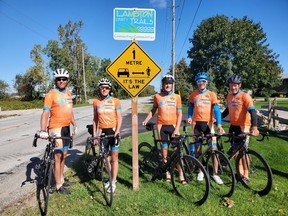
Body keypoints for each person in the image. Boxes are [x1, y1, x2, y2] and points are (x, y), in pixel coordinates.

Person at [39, 68, 77, 194]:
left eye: (64, 79)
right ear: (55, 80)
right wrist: (43, 130)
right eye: (59, 79)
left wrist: (74, 125)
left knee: (64, 155)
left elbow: (69, 111)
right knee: (58, 156)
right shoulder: (51, 94)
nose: (61, 81)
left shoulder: (69, 93)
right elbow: (45, 113)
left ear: (67, 81)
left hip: (66, 128)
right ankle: (58, 185)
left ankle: (61, 179)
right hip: (55, 128)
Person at [142, 74, 184, 183]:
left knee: (177, 152)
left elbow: (179, 114)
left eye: (170, 83)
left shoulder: (177, 97)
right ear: (163, 84)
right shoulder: (157, 96)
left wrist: (176, 129)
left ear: (172, 85)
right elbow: (153, 110)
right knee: (164, 152)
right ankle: (167, 172)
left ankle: (181, 174)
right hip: (161, 127)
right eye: (166, 83)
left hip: (173, 126)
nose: (168, 85)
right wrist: (146, 119)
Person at [187, 72, 224, 184]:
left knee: (213, 150)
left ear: (206, 82)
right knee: (198, 150)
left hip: (208, 125)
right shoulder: (193, 95)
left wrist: (219, 124)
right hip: (197, 124)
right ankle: (201, 171)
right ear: (196, 82)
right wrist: (189, 117)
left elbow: (216, 110)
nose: (201, 83)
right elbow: (190, 107)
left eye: (203, 81)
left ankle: (215, 174)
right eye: (199, 81)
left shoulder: (212, 94)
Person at [222, 75, 259, 183]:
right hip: (233, 126)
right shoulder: (229, 96)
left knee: (244, 152)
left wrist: (255, 127)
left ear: (239, 85)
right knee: (236, 152)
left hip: (244, 126)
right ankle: (240, 173)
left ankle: (246, 174)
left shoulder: (245, 96)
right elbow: (227, 111)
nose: (233, 87)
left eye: (235, 85)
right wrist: (218, 118)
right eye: (231, 85)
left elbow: (253, 112)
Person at [92, 78, 122, 193]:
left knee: (114, 157)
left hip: (113, 132)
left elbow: (119, 117)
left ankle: (113, 181)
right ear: (99, 88)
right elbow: (95, 120)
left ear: (109, 89)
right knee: (104, 158)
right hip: (102, 132)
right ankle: (110, 177)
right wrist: (95, 135)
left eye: (107, 88)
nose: (104, 89)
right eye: (102, 87)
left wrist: (117, 131)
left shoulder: (115, 101)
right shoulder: (96, 102)